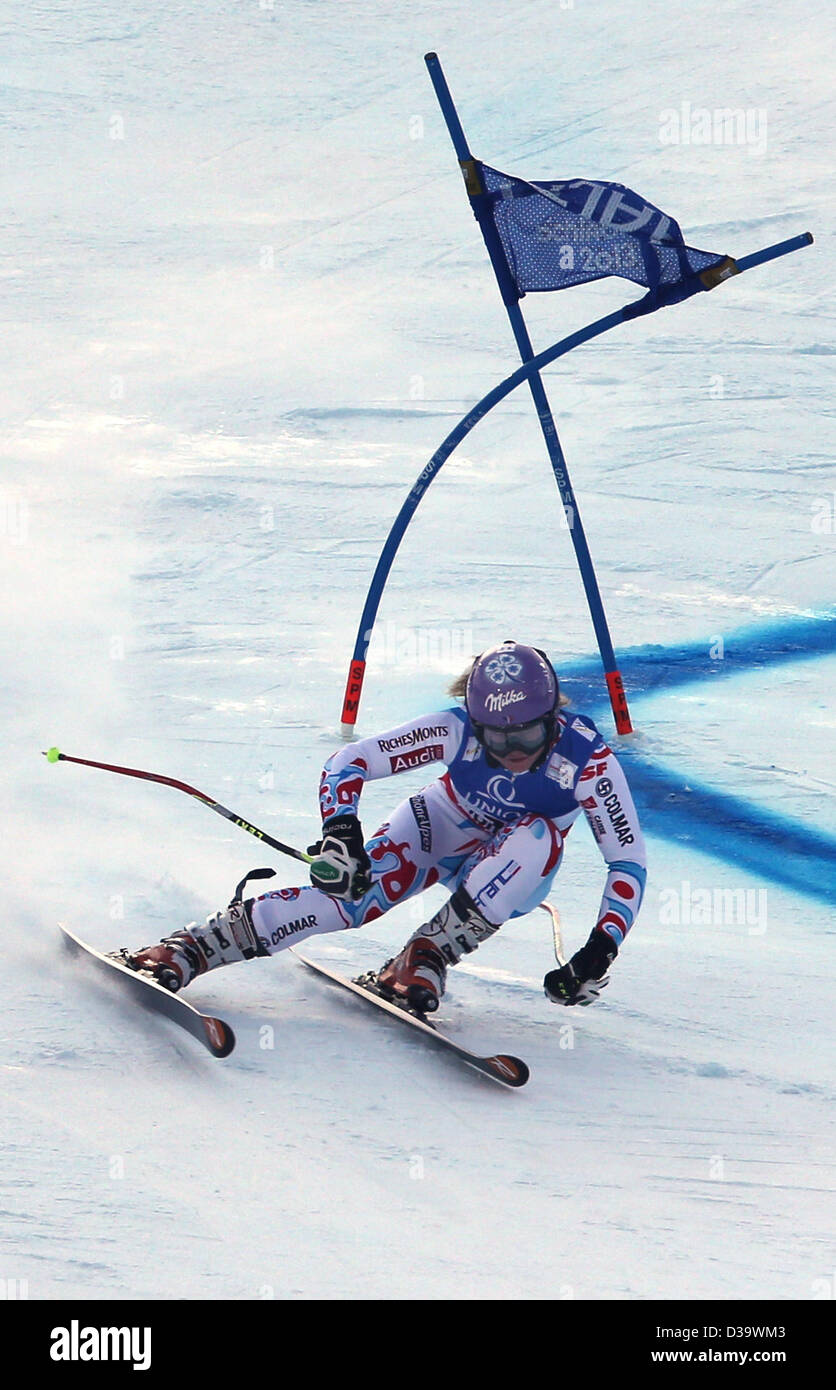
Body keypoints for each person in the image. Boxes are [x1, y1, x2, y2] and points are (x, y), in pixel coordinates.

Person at [124, 641, 647, 1012]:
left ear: (553, 717)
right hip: (443, 826)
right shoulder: (454, 729)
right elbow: (348, 761)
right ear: (473, 719)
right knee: (347, 900)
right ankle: (195, 946)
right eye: (496, 738)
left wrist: (601, 947)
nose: (512, 752)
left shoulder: (588, 760)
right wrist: (342, 833)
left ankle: (429, 954)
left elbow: (627, 860)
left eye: (528, 737)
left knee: (536, 836)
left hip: (515, 869)